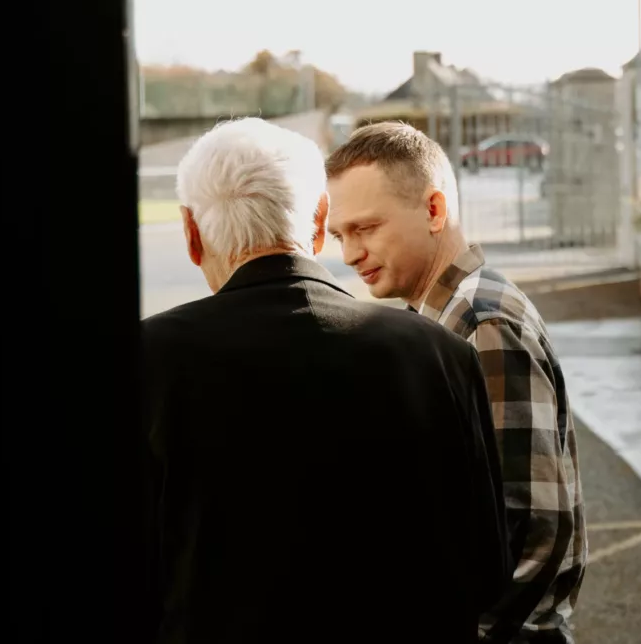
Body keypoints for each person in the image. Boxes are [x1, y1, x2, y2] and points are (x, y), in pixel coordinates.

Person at [141, 118, 509, 643]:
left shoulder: (147, 361)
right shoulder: (438, 354)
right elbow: (487, 572)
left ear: (191, 234)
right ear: (318, 223)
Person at [326, 121, 587, 644]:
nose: (350, 254)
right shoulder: (441, 317)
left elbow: (533, 522)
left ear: (433, 210)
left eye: (366, 228)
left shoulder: (480, 322)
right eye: (340, 235)